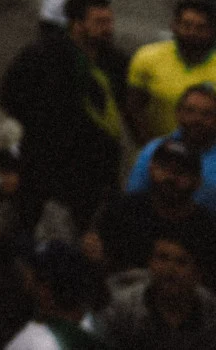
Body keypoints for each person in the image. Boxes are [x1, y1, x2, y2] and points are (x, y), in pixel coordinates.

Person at [0, 0, 129, 227]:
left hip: (96, 169)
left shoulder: (116, 61)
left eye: (109, 21)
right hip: (45, 164)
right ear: (76, 24)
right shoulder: (40, 56)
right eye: (99, 22)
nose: (108, 28)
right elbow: (9, 97)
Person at [90, 138, 216, 279]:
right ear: (151, 168)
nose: (171, 177)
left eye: (181, 172)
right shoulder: (124, 210)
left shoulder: (206, 229)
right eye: (164, 168)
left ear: (197, 181)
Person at [94, 233, 216, 349]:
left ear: (197, 274)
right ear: (150, 263)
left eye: (181, 262)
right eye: (162, 258)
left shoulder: (211, 313)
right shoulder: (122, 310)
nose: (170, 270)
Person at [131, 0, 216, 144]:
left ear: (212, 31)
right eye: (186, 25)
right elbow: (134, 108)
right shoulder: (147, 58)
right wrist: (150, 148)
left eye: (201, 27)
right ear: (174, 26)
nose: (192, 33)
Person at [128, 84, 216, 214]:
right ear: (178, 113)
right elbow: (133, 198)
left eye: (206, 114)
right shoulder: (153, 150)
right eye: (190, 111)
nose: (197, 119)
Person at [3, 241, 101, 350]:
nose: (27, 285)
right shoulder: (100, 327)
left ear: (45, 291)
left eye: (32, 280)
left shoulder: (32, 343)